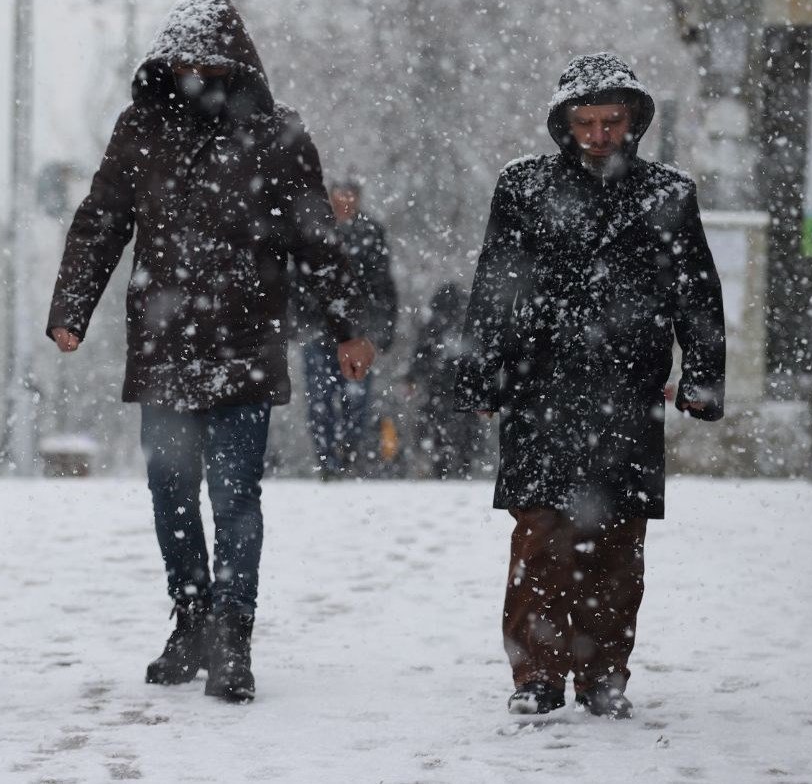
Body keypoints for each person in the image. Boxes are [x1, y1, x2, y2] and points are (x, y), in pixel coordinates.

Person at [47, 0, 375, 703]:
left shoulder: (278, 137)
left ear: (235, 65)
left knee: (234, 499)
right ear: (167, 66)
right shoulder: (140, 131)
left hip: (246, 344)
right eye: (185, 63)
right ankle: (191, 617)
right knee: (170, 495)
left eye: (210, 64)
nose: (197, 76)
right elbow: (102, 221)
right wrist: (71, 306)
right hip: (165, 347)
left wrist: (348, 326)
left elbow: (315, 238)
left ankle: (233, 634)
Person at [455, 53, 725, 720]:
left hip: (628, 390)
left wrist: (703, 375)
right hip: (539, 385)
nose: (599, 134)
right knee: (542, 535)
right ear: (565, 123)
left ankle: (605, 673)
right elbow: (495, 282)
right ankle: (538, 674)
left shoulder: (667, 194)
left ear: (633, 121)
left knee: (616, 542)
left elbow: (696, 290)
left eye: (611, 121)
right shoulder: (522, 188)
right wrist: (482, 370)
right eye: (586, 121)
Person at [293, 180, 398, 479]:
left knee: (357, 398)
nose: (345, 203)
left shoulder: (370, 233)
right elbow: (298, 281)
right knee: (319, 400)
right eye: (339, 197)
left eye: (350, 197)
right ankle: (328, 462)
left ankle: (348, 451)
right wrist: (300, 321)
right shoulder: (312, 231)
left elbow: (383, 285)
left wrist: (382, 330)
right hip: (318, 331)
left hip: (358, 332)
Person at [406, 281, 480, 479]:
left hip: (437, 386)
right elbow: (478, 355)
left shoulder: (433, 324)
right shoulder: (470, 322)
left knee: (438, 427)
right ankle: (464, 466)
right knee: (466, 430)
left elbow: (421, 353)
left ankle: (442, 467)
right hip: (464, 385)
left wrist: (412, 377)